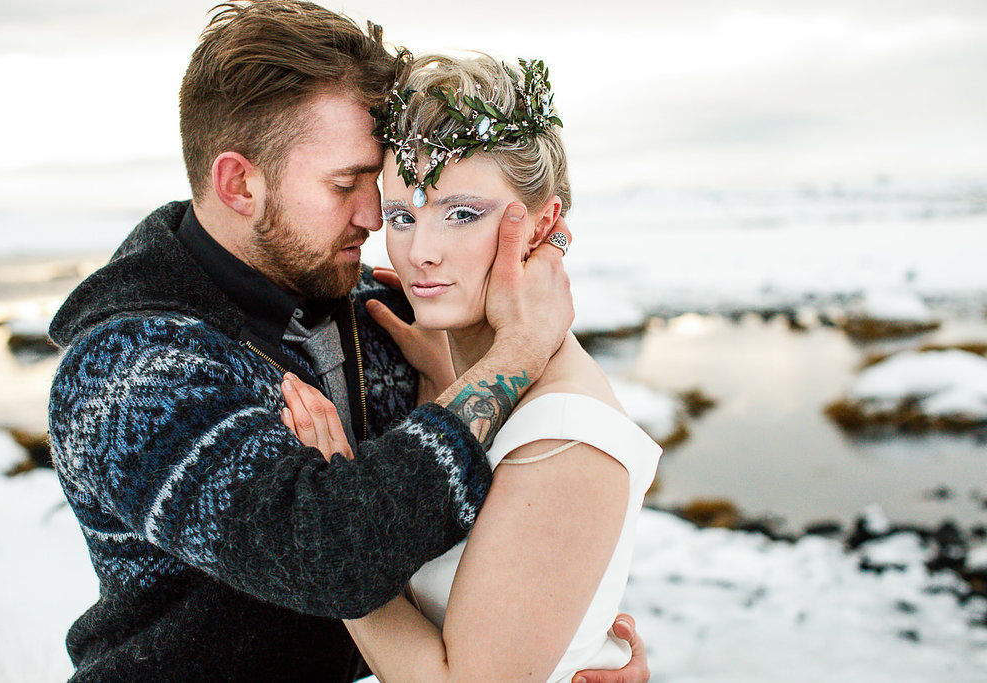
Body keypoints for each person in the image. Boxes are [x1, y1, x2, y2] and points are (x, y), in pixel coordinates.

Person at [46, 1, 648, 681]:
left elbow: (521, 520)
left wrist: (571, 646)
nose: (374, 217)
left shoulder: (375, 310)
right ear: (239, 182)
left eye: (381, 183)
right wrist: (515, 356)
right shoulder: (129, 376)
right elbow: (334, 555)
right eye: (345, 184)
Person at [279, 53, 662, 682]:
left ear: (543, 224)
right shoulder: (452, 365)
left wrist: (338, 516)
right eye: (403, 216)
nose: (421, 252)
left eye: (462, 214)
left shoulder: (564, 439)